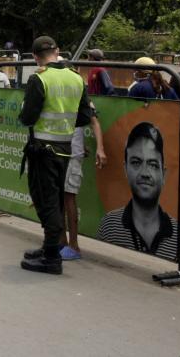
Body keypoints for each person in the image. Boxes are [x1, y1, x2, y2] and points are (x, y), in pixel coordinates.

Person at [19, 36, 92, 275]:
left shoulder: (39, 79)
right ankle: (50, 246)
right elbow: (83, 117)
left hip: (43, 148)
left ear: (35, 57)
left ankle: (52, 258)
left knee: (45, 201)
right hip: (65, 148)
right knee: (57, 199)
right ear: (58, 51)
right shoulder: (76, 78)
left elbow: (27, 118)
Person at [97, 122, 179, 261]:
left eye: (153, 165)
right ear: (125, 169)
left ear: (163, 174)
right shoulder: (109, 226)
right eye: (136, 162)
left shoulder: (178, 234)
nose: (145, 173)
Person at [60, 102, 107, 260]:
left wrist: (100, 148)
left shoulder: (79, 91)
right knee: (59, 198)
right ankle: (62, 243)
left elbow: (94, 121)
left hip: (72, 153)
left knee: (68, 197)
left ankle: (73, 246)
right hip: (59, 150)